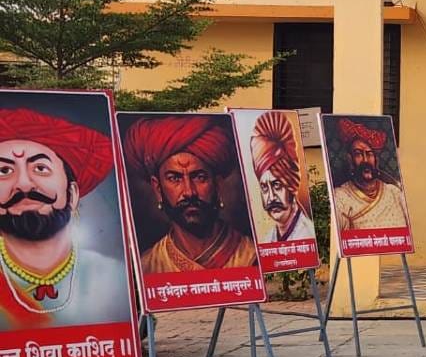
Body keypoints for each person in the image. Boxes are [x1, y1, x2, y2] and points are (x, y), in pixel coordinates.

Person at [0, 107, 129, 328]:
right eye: (4, 171)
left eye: (40, 168)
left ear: (72, 193)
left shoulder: (115, 276)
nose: (24, 184)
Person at [122, 115, 257, 273]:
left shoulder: (253, 257)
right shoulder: (147, 267)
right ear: (158, 188)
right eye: (174, 178)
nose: (189, 192)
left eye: (199, 177)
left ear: (218, 185)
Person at [331, 119, 410, 231]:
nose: (365, 160)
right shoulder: (340, 197)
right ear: (350, 159)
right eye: (358, 154)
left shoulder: (394, 193)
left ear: (376, 160)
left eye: (370, 154)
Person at [250, 112, 315, 243]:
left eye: (277, 185)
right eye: (264, 187)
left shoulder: (307, 236)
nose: (271, 197)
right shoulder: (268, 239)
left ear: (291, 184)